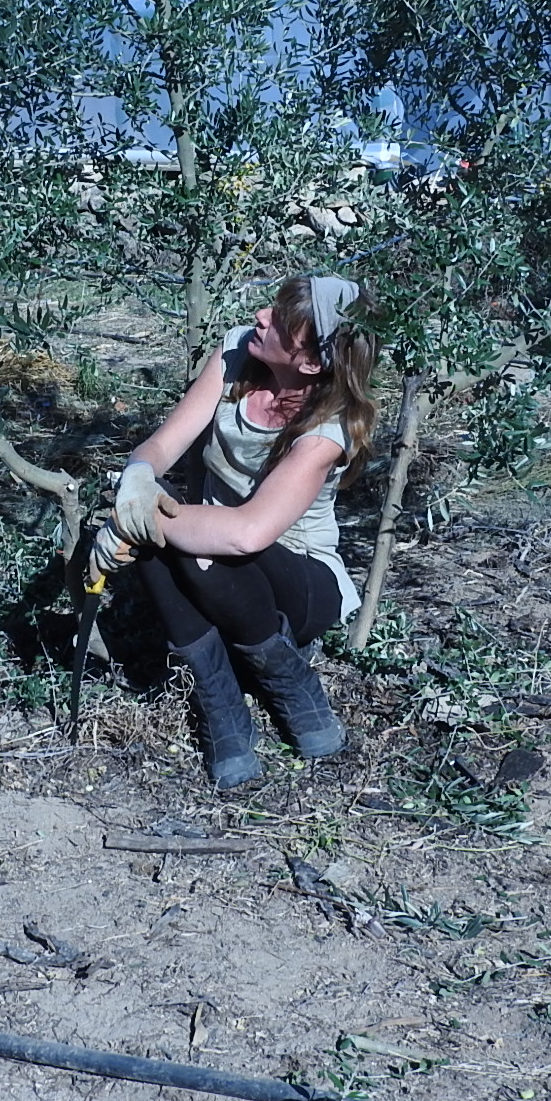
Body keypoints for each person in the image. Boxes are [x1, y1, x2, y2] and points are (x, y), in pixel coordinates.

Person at [93, 273, 377, 790]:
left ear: (311, 362)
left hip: (301, 577)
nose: (261, 317)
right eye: (271, 308)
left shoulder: (327, 430)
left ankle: (291, 683)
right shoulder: (234, 356)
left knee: (177, 536)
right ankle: (218, 700)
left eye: (280, 323)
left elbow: (248, 533)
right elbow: (162, 446)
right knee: (166, 529)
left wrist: (134, 521)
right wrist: (136, 480)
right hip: (212, 552)